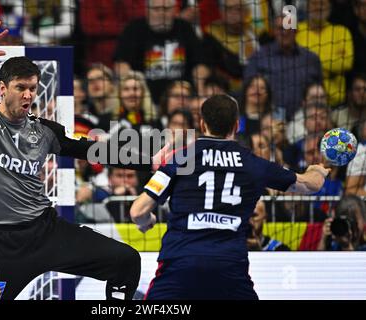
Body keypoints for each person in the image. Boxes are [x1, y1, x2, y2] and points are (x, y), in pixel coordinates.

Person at [0, 20, 170, 300]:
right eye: (21, 87)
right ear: (3, 88)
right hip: (1, 249)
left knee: (126, 261)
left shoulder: (44, 131)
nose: (28, 94)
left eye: (33, 87)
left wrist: (149, 162)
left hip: (49, 234)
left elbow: (93, 150)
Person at [130, 94, 329, 299]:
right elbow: (310, 185)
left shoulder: (180, 157)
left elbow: (138, 211)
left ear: (202, 123)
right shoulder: (253, 163)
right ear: (236, 126)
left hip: (180, 263)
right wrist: (319, 170)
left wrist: (148, 220)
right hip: (228, 267)